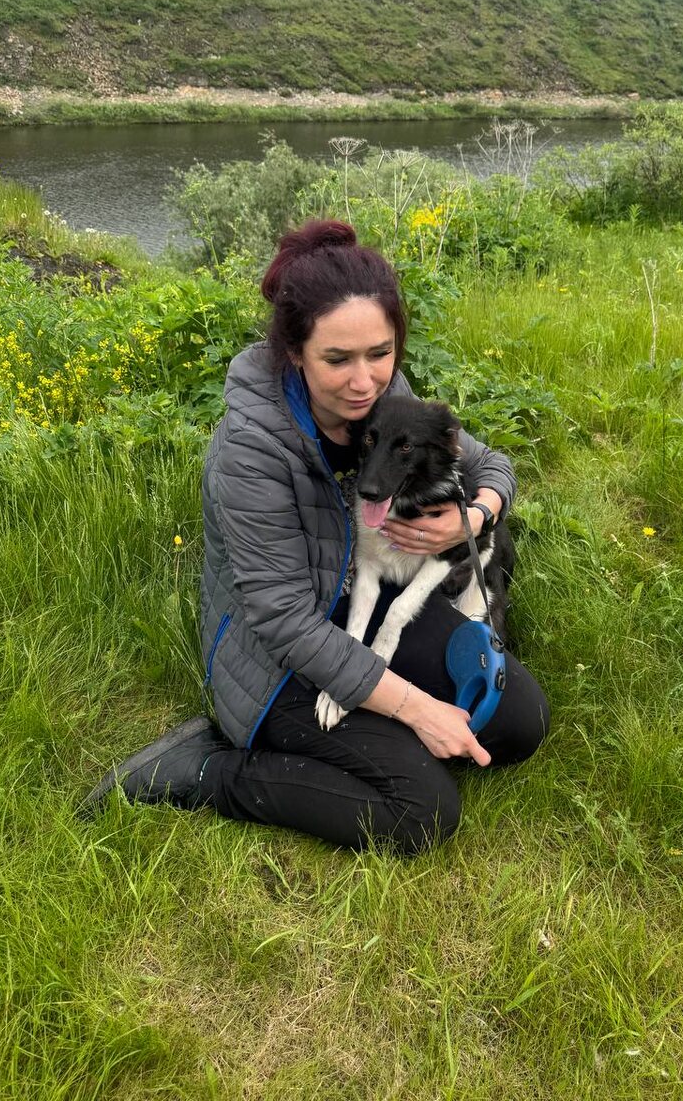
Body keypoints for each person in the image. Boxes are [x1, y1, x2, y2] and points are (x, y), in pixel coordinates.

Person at [86, 219, 549, 854]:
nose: (364, 382)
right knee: (421, 811)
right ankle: (206, 769)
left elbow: (491, 464)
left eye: (380, 353)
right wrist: (415, 707)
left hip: (365, 600)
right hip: (276, 653)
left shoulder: (385, 397)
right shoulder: (250, 450)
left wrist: (474, 517)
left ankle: (371, 732)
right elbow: (284, 621)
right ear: (295, 351)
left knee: (520, 721)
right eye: (337, 359)